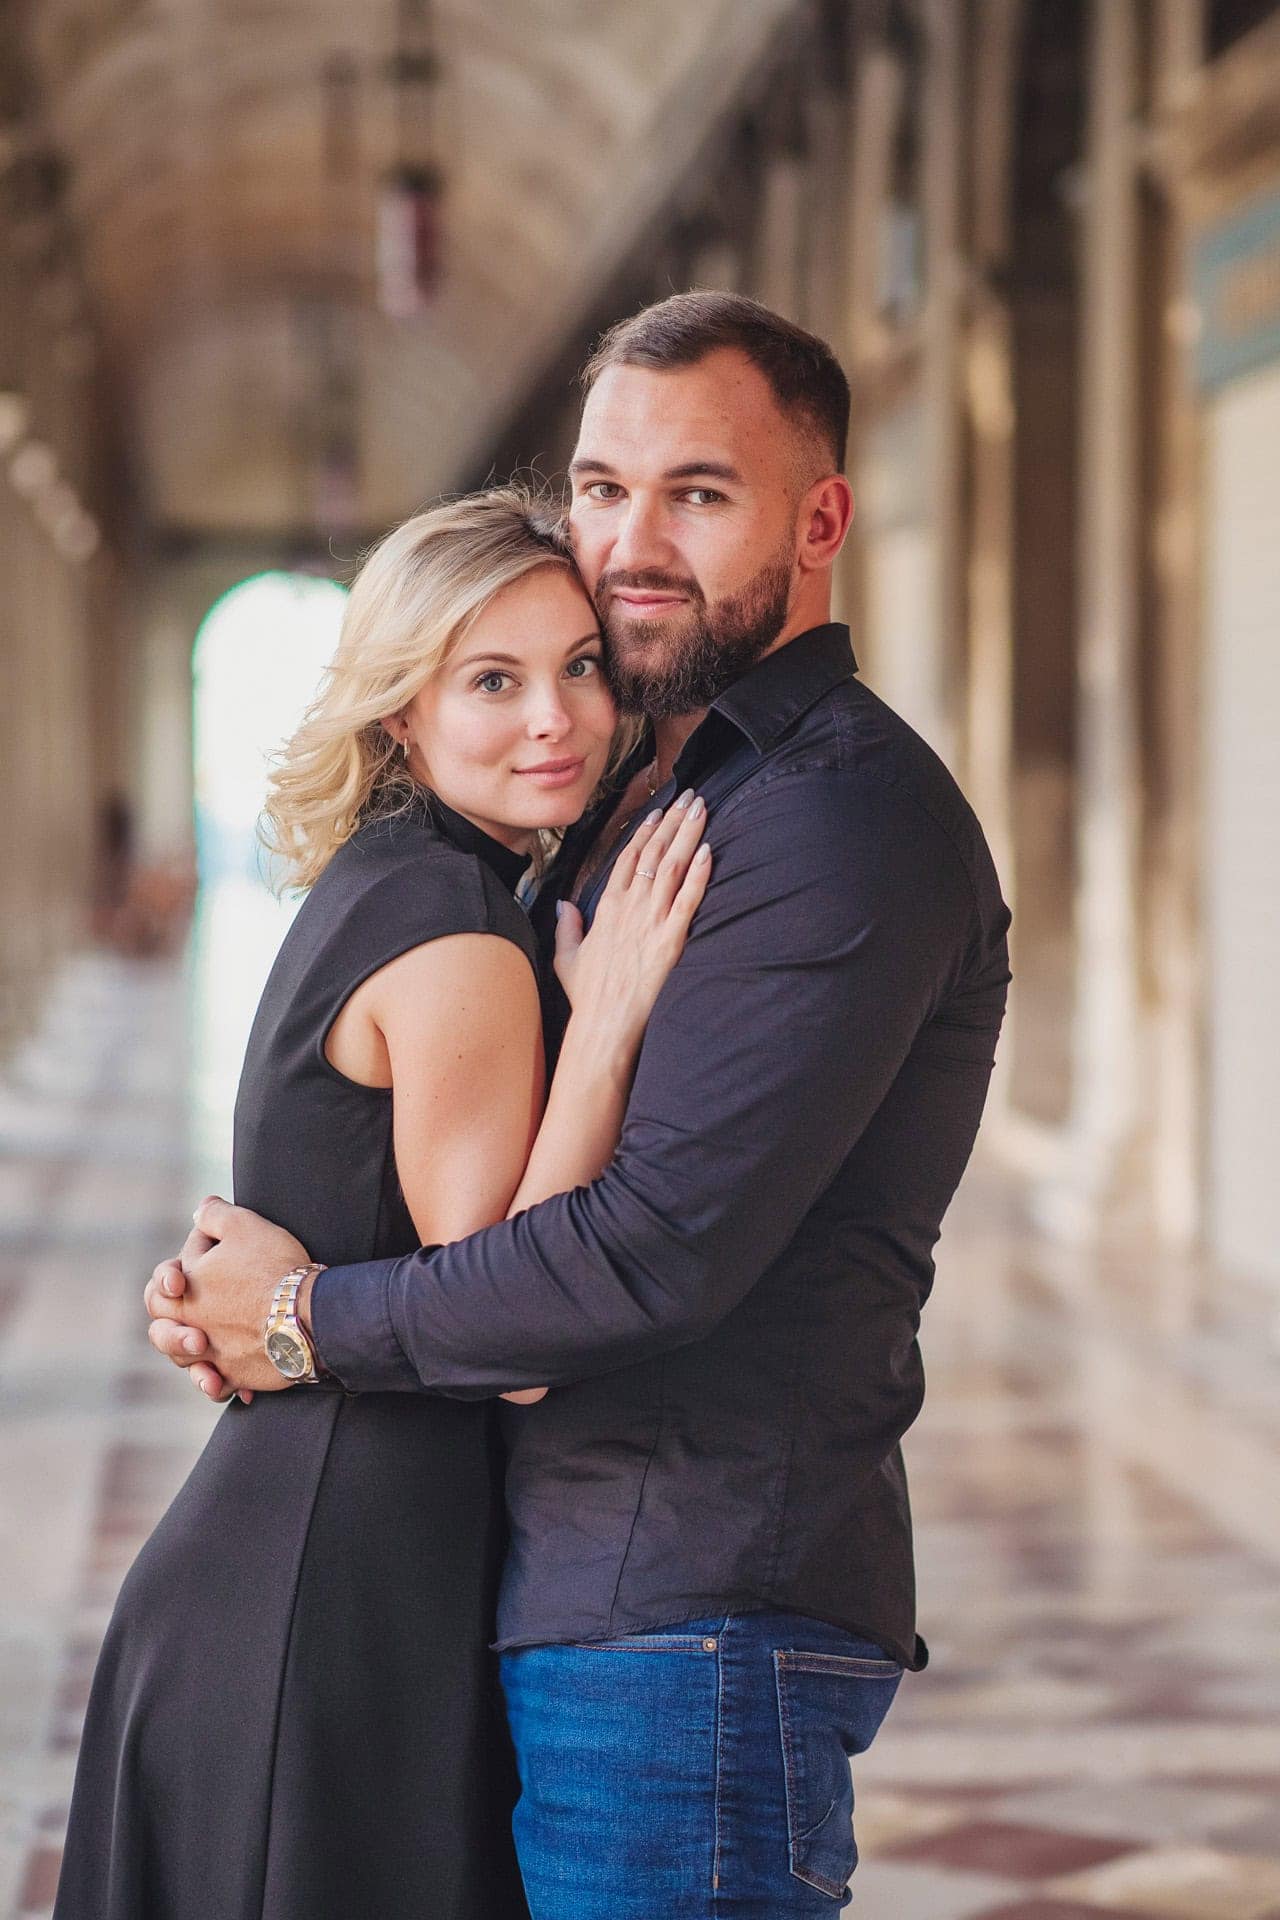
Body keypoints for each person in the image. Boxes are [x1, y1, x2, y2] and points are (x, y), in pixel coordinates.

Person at [147, 291, 1012, 1919]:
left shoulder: (833, 822)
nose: (631, 542)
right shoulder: (650, 789)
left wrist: (306, 1317)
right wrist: (256, 1285)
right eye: (604, 489)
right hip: (577, 1598)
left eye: (699, 493)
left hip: (691, 1620)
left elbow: (642, 1255)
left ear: (820, 518)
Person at [54, 488, 711, 1920]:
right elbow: (511, 1323)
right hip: (329, 1596)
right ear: (403, 714)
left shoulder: (398, 883)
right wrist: (602, 1032)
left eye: (580, 666)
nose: (556, 716)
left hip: (306, 1564)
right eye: (494, 679)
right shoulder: (460, 934)